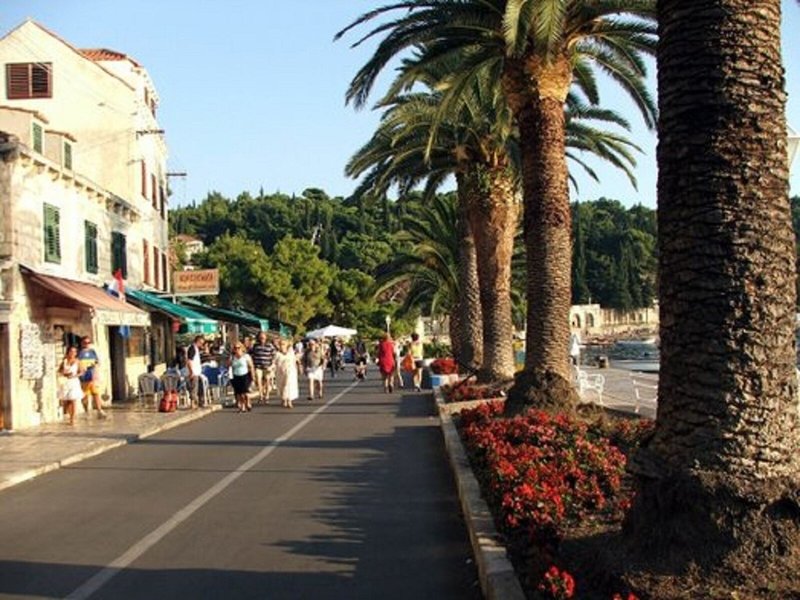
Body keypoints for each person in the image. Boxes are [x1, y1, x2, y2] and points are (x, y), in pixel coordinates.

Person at [78, 335, 106, 419]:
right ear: (82, 343)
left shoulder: (92, 352)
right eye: (85, 342)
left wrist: (96, 366)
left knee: (96, 393)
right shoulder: (79, 353)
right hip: (84, 377)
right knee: (85, 395)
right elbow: (77, 363)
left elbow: (97, 361)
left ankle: (99, 410)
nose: (87, 344)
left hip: (93, 376)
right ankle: (86, 411)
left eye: (88, 342)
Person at [58, 346, 83, 425]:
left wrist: (75, 375)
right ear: (68, 352)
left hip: (74, 382)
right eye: (71, 351)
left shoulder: (77, 361)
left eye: (74, 352)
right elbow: (59, 371)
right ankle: (69, 415)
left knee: (73, 399)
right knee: (67, 400)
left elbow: (82, 371)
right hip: (65, 382)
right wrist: (64, 373)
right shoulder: (64, 361)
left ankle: (72, 419)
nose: (73, 353)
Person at [250, 332, 276, 404]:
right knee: (259, 380)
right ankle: (261, 395)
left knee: (267, 380)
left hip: (267, 366)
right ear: (258, 338)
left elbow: (274, 355)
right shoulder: (255, 346)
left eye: (263, 337)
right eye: (261, 337)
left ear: (266, 338)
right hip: (258, 366)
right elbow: (250, 353)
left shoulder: (270, 345)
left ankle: (267, 395)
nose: (262, 339)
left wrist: (272, 365)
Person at [228, 342, 255, 412]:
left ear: (242, 348)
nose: (237, 349)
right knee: (239, 393)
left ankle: (248, 402)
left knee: (245, 393)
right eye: (235, 348)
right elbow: (229, 366)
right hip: (236, 376)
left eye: (238, 348)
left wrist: (253, 376)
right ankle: (242, 406)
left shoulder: (246, 356)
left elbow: (251, 366)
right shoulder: (232, 357)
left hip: (245, 375)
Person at [275, 338, 299, 409]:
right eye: (280, 344)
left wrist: (298, 368)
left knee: (289, 385)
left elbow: (294, 361)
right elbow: (275, 363)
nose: (282, 346)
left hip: (290, 372)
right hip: (281, 372)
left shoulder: (291, 353)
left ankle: (289, 401)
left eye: (283, 344)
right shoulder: (278, 354)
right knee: (282, 386)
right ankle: (284, 399)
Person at [185, 335, 205, 408]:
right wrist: (191, 372)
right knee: (194, 388)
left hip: (197, 372)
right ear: (198, 341)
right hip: (193, 372)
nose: (201, 345)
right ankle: (193, 403)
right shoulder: (192, 348)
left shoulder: (196, 349)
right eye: (201, 343)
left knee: (199, 388)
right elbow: (189, 361)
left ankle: (199, 402)